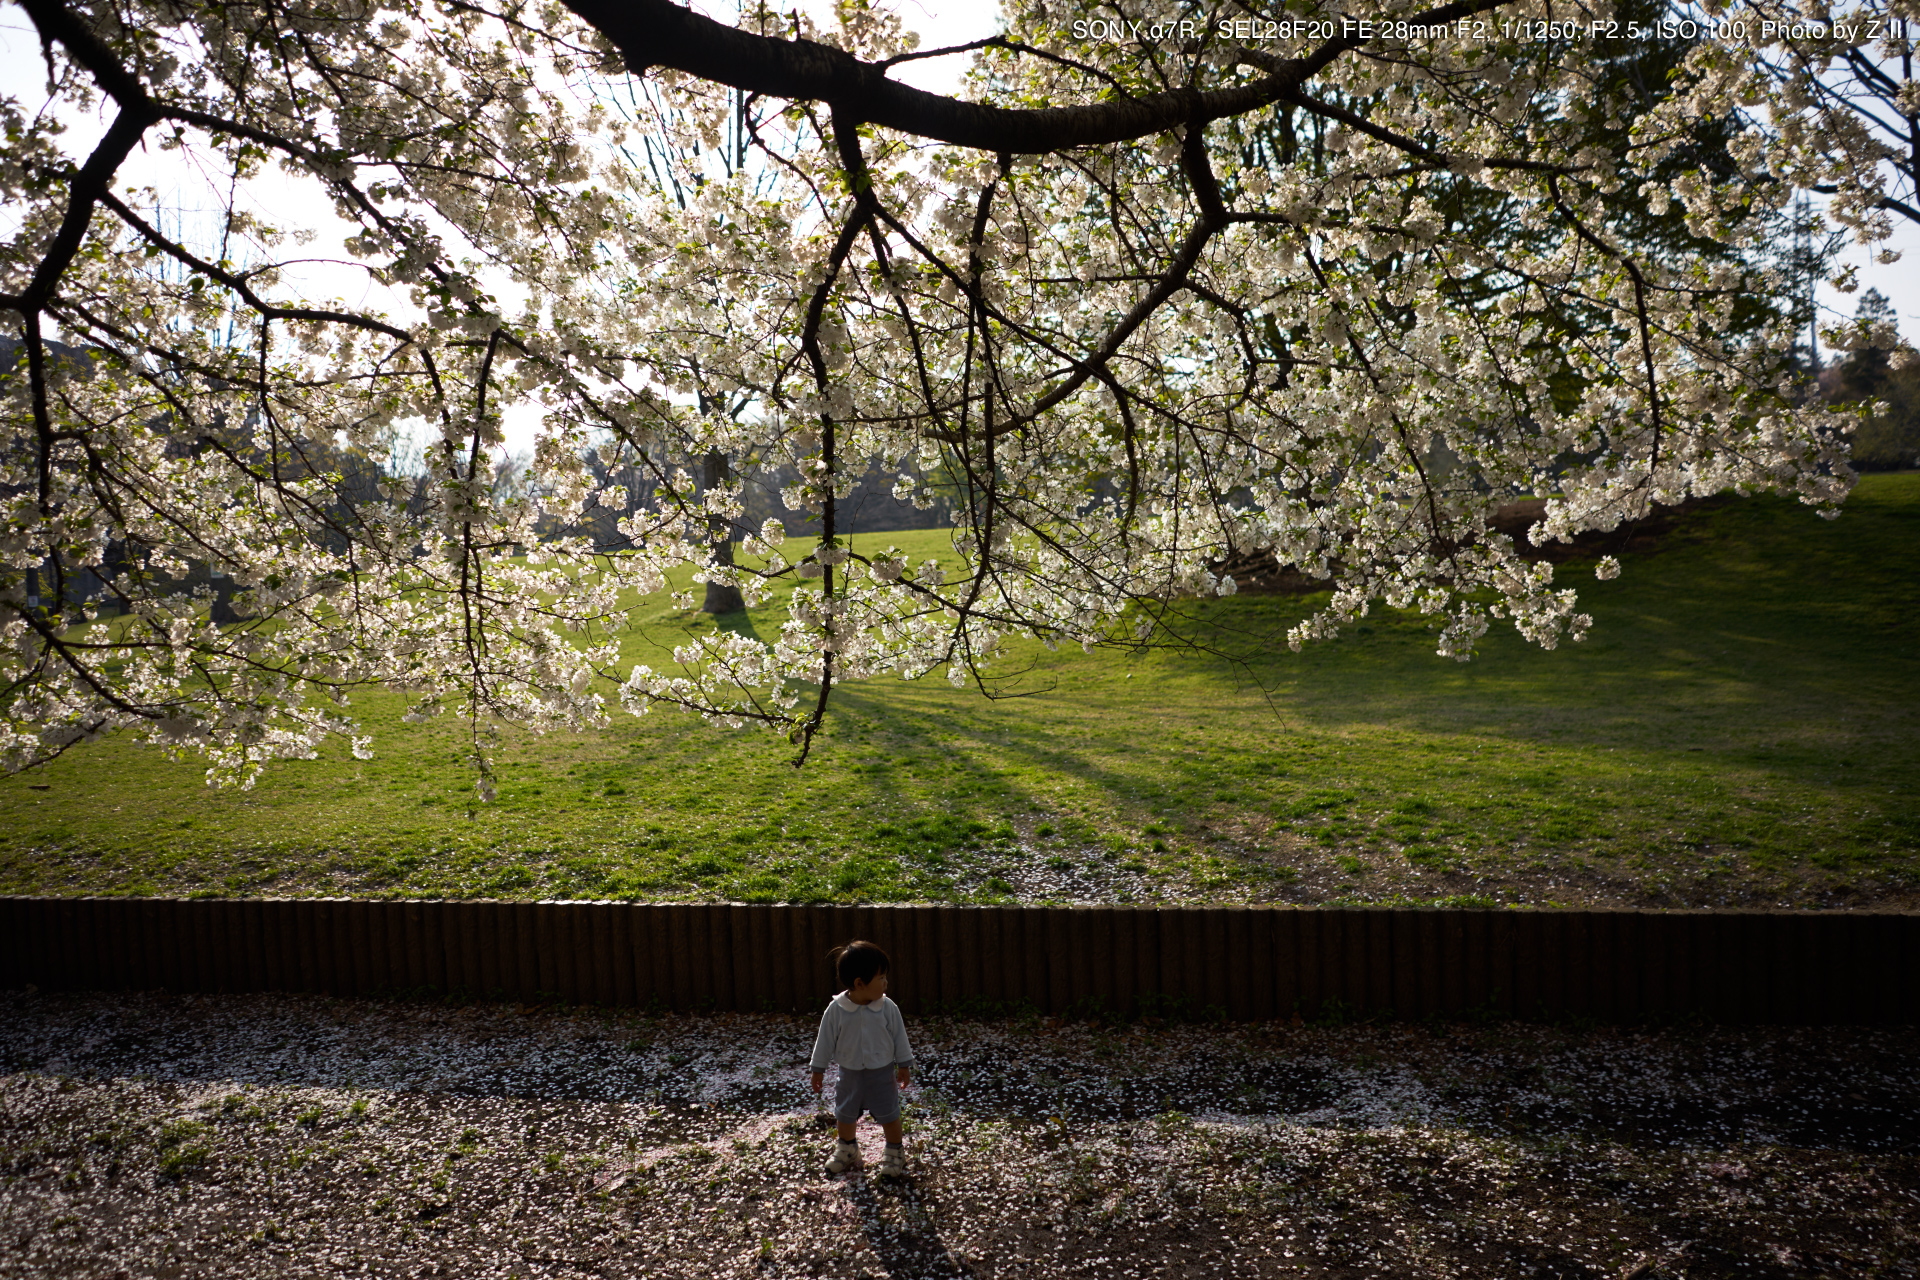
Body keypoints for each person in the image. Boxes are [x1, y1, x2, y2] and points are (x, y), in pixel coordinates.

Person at [809, 940, 915, 1178]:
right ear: (859, 983)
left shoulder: (887, 1008)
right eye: (881, 978)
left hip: (881, 1072)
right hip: (850, 1073)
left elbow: (899, 1037)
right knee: (845, 1114)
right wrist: (818, 1068)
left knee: (889, 1114)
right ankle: (848, 1148)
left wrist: (904, 1064)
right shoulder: (836, 1010)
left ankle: (895, 1152)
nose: (886, 983)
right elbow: (824, 1040)